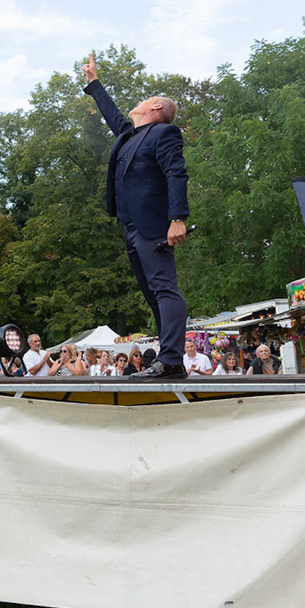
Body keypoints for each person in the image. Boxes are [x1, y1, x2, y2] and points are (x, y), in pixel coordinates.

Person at [81, 52, 189, 379]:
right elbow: (113, 115)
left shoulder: (163, 134)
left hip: (154, 224)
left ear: (156, 108)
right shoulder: (129, 136)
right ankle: (169, 364)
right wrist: (94, 84)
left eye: (145, 99)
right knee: (152, 294)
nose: (138, 102)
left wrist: (178, 217)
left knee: (165, 288)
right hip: (131, 227)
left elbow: (176, 173)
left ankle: (171, 359)